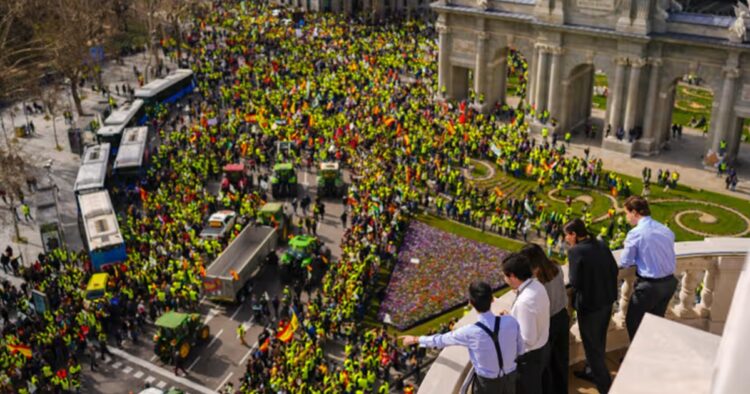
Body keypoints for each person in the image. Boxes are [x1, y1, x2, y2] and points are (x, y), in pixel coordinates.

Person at [400, 281, 522, 394]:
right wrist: (506, 318)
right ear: (492, 299)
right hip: (510, 376)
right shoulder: (510, 321)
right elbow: (518, 344)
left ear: (471, 303)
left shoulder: (469, 332)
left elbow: (441, 340)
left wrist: (416, 339)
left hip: (487, 384)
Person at [564, 218, 618, 393]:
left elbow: (574, 282)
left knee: (592, 349)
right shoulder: (601, 244)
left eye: (567, 235)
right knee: (599, 342)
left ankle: (605, 386)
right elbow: (614, 269)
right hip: (607, 300)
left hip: (590, 306)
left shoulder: (576, 252)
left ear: (574, 234)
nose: (566, 239)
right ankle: (591, 371)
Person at [620, 196, 677, 340]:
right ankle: (650, 353)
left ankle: (637, 357)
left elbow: (625, 262)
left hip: (650, 287)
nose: (626, 218)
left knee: (633, 322)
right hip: (669, 283)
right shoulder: (665, 229)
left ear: (635, 213)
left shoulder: (636, 233)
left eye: (626, 213)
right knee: (654, 324)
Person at [519, 243, 568, 394]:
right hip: (562, 317)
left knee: (545, 365)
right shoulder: (556, 267)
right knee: (560, 361)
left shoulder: (536, 282)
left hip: (548, 323)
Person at [501, 253, 550, 394]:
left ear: (513, 276)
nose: (504, 279)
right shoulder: (537, 285)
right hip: (542, 348)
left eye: (505, 275)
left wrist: (507, 325)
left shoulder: (524, 302)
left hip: (529, 358)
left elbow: (528, 339)